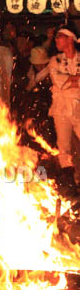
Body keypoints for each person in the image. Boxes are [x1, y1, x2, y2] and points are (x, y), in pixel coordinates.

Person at [48, 28, 80, 189]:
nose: (56, 40)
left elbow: (66, 83)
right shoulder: (55, 60)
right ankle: (70, 185)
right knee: (64, 146)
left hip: (78, 107)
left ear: (69, 39)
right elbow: (57, 80)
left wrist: (70, 81)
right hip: (61, 108)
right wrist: (74, 80)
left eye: (59, 37)